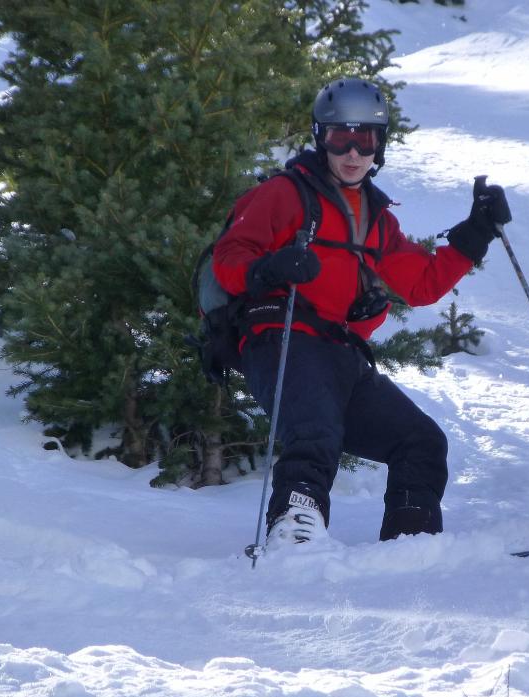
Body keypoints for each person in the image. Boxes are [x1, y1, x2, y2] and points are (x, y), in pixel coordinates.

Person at [212, 77, 510, 548]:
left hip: (339, 353)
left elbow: (422, 283)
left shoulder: (376, 217)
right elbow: (227, 259)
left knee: (420, 442)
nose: (352, 152)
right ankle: (294, 534)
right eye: (340, 137)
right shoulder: (286, 195)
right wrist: (267, 267)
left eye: (365, 139)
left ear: (379, 145)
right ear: (320, 138)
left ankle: (410, 543)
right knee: (314, 430)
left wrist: (476, 233)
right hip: (282, 335)